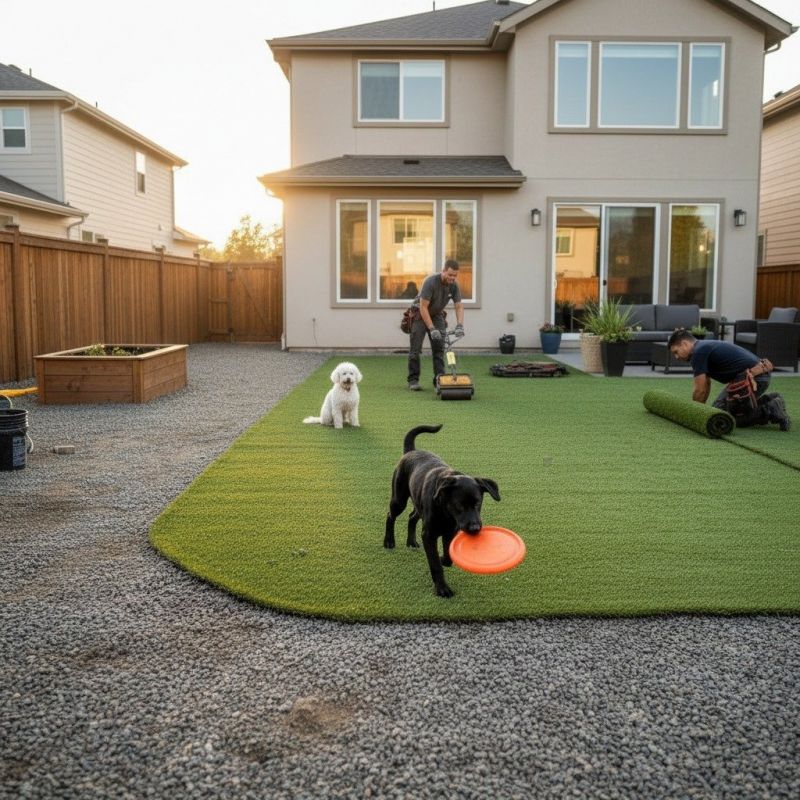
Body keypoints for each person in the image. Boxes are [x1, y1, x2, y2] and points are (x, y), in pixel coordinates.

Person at [668, 329, 791, 430]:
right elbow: (706, 384)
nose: (676, 357)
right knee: (716, 411)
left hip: (754, 378)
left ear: (684, 344)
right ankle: (771, 400)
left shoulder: (698, 353)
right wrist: (700, 410)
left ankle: (770, 410)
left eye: (676, 352)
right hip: (756, 375)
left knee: (721, 417)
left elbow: (700, 390)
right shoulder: (702, 348)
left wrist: (693, 413)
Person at [407, 259, 465, 391]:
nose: (452, 278)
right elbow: (423, 307)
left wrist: (460, 325)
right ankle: (413, 380)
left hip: (437, 314)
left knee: (439, 348)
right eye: (450, 275)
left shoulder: (454, 286)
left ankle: (439, 379)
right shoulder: (430, 282)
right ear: (443, 271)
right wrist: (432, 328)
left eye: (455, 275)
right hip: (420, 314)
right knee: (415, 349)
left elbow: (459, 306)